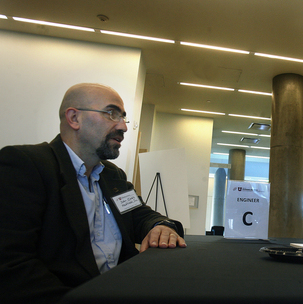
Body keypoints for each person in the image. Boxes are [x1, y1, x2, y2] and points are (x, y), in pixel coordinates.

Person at [0, 83, 187, 304]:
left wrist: (160, 226)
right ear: (74, 118)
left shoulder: (112, 175)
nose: (124, 127)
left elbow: (140, 215)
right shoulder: (26, 165)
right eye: (111, 114)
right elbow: (12, 264)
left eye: (123, 117)